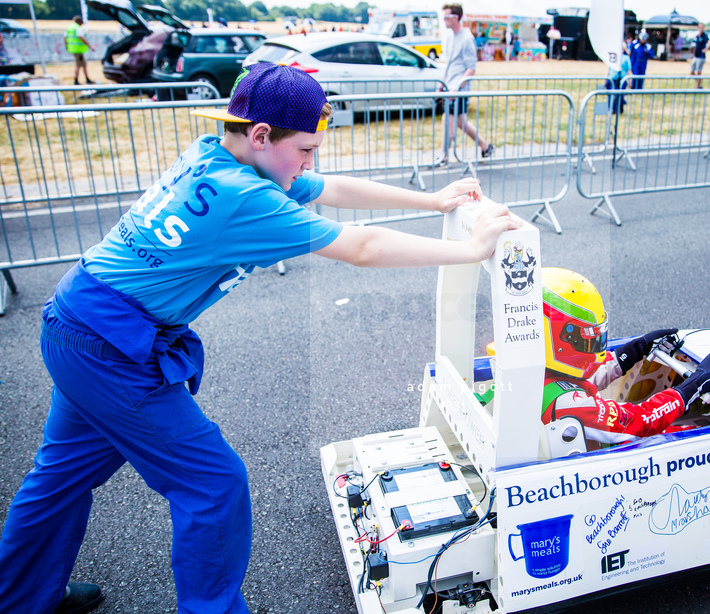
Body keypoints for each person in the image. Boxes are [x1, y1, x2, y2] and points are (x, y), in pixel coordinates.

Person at [0, 63, 521, 614]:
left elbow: (331, 188)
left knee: (58, 478)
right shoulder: (242, 196)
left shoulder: (217, 155)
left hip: (75, 322)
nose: (310, 163)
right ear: (260, 135)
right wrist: (471, 250)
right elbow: (361, 248)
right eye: (306, 150)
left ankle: (20, 598)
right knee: (214, 485)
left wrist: (433, 201)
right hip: (109, 347)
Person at [540, 268, 710, 451]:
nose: (596, 347)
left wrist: (633, 351)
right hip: (602, 469)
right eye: (589, 340)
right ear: (557, 339)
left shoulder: (534, 375)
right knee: (696, 435)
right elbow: (640, 422)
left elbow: (572, 383)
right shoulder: (569, 403)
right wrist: (693, 386)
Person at [436, 3, 493, 167]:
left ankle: (444, 156)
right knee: (460, 122)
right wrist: (442, 85)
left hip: (459, 90)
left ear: (455, 17)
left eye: (446, 17)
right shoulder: (451, 37)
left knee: (448, 120)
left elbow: (471, 68)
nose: (444, 20)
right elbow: (449, 64)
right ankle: (485, 146)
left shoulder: (467, 38)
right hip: (450, 87)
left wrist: (457, 86)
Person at [65, 16, 95, 86]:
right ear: (79, 22)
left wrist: (67, 46)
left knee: (83, 64)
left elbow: (65, 38)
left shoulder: (69, 27)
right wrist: (90, 46)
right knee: (78, 65)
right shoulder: (77, 28)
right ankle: (76, 80)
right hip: (78, 50)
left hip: (72, 49)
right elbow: (81, 37)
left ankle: (87, 79)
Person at [690, 22, 710, 89]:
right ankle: (699, 84)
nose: (701, 28)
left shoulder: (704, 36)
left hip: (701, 57)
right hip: (696, 56)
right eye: (700, 27)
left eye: (702, 27)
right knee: (692, 72)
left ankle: (697, 88)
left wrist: (705, 49)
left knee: (698, 73)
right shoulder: (697, 36)